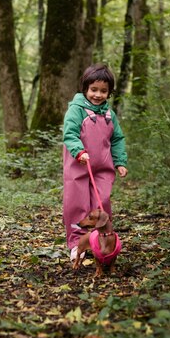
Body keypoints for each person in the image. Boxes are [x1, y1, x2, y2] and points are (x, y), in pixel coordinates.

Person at [62, 63, 128, 262]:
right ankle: (76, 244)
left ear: (109, 93)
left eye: (103, 91)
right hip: (79, 165)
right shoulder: (77, 110)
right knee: (77, 203)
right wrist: (78, 151)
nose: (98, 95)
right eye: (93, 90)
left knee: (102, 202)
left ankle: (102, 242)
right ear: (85, 89)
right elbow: (70, 133)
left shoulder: (109, 114)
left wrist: (120, 161)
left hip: (103, 167)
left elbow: (117, 139)